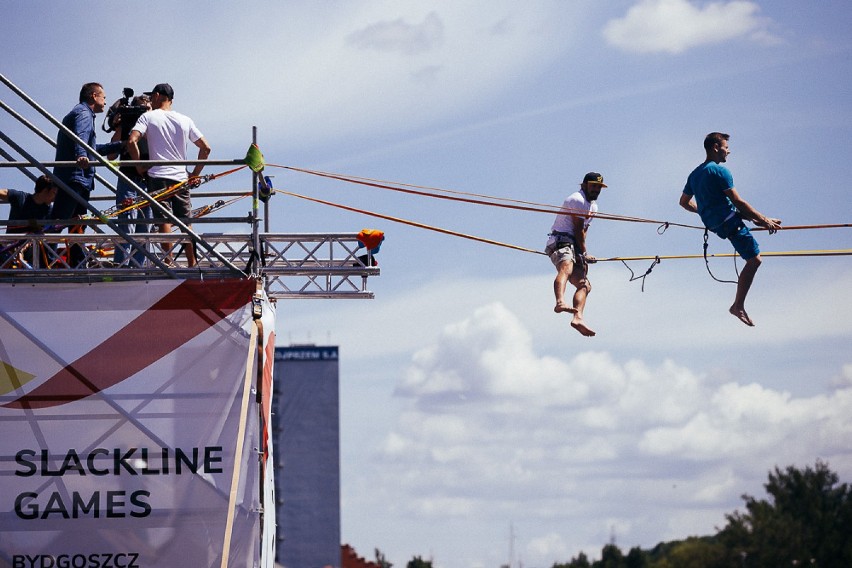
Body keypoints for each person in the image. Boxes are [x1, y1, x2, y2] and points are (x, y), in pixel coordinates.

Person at [679, 132, 782, 326]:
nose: (729, 151)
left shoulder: (695, 174)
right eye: (726, 146)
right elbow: (738, 201)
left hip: (717, 223)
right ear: (716, 147)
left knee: (734, 212)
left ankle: (761, 219)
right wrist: (764, 220)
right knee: (754, 260)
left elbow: (684, 203)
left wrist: (704, 211)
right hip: (729, 222)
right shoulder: (720, 171)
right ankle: (738, 306)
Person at [126, 83, 211, 267]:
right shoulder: (185, 120)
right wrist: (195, 174)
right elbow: (205, 148)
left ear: (158, 95)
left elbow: (131, 141)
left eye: (152, 97)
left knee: (163, 219)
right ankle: (192, 261)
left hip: (157, 176)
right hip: (181, 177)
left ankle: (169, 260)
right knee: (185, 221)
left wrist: (139, 165)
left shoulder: (148, 117)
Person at [52, 82, 123, 266]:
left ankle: (76, 261)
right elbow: (81, 138)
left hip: (79, 178)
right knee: (59, 222)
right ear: (93, 96)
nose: (105, 102)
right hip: (75, 177)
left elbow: (91, 147)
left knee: (77, 224)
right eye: (104, 97)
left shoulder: (83, 114)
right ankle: (44, 259)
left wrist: (119, 145)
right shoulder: (83, 113)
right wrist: (81, 154)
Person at [545, 172, 606, 337]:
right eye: (593, 186)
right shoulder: (577, 200)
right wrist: (584, 253)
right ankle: (560, 302)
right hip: (559, 240)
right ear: (584, 185)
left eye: (599, 187)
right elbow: (578, 230)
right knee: (567, 267)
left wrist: (582, 256)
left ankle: (578, 317)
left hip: (573, 246)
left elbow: (584, 232)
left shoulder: (593, 207)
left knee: (584, 284)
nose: (596, 190)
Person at [108, 93, 153, 266]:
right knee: (126, 222)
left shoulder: (154, 122)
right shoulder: (127, 124)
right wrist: (122, 126)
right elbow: (111, 155)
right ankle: (122, 265)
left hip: (148, 180)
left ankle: (138, 267)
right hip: (128, 178)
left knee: (145, 226)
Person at [0, 175, 58, 267]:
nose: (55, 198)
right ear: (45, 191)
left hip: (32, 250)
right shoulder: (21, 198)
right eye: (54, 193)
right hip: (10, 247)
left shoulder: (50, 211)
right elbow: (2, 192)